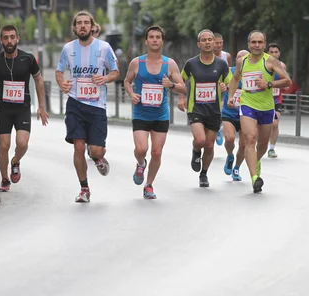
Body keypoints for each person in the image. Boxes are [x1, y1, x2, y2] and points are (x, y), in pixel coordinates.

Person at [56, 11, 119, 203]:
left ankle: (98, 157)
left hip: (97, 106)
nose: (83, 26)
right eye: (79, 23)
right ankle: (84, 188)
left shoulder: (104, 47)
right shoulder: (68, 48)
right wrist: (62, 83)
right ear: (74, 28)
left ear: (92, 27)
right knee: (78, 147)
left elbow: (116, 72)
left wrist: (105, 78)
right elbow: (59, 71)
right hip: (75, 104)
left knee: (96, 150)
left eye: (86, 23)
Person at [0, 25, 49, 192]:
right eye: (6, 38)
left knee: (22, 143)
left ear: (17, 38)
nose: (9, 41)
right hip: (4, 110)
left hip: (22, 108)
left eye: (12, 37)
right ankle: (5, 179)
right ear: (1, 41)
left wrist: (41, 106)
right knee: (4, 146)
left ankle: (16, 161)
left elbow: (39, 80)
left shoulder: (28, 59)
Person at [123, 26, 186, 199]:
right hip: (141, 113)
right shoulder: (137, 62)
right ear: (146, 41)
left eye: (158, 37)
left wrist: (171, 85)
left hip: (160, 114)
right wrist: (131, 93)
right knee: (141, 149)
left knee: (157, 153)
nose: (155, 40)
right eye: (151, 37)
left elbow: (183, 87)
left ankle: (149, 185)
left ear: (162, 41)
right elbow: (127, 81)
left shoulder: (169, 64)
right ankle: (140, 163)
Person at [227, 30, 291, 193]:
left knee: (262, 143)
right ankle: (255, 178)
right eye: (253, 42)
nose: (256, 45)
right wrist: (231, 96)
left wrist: (269, 84)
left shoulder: (270, 61)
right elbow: (235, 79)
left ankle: (257, 160)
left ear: (264, 44)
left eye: (260, 42)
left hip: (267, 107)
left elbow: (287, 81)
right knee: (250, 138)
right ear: (248, 44)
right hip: (247, 104)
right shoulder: (242, 61)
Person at [178, 29, 230, 188]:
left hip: (213, 110)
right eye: (204, 40)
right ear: (198, 44)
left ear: (214, 43)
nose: (207, 42)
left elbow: (229, 83)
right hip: (196, 108)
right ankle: (195, 151)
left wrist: (224, 86)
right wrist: (181, 98)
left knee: (209, 145)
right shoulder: (191, 63)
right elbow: (181, 81)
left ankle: (204, 173)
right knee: (200, 140)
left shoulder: (221, 64)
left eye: (210, 40)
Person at [221, 50, 249, 181]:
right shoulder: (228, 71)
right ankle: (230, 155)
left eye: (245, 58)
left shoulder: (252, 74)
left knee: (244, 144)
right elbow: (219, 84)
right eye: (240, 59)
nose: (242, 61)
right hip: (229, 112)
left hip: (246, 114)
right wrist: (222, 87)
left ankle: (237, 167)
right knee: (229, 138)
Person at [266, 43, 287, 158]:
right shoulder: (263, 64)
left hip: (276, 100)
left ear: (279, 53)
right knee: (262, 125)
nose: (274, 54)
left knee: (275, 124)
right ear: (267, 53)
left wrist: (284, 86)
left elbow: (286, 82)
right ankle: (258, 145)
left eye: (276, 52)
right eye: (271, 52)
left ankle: (272, 148)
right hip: (263, 99)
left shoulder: (282, 66)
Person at [213, 33, 232, 146]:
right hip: (209, 89)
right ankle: (214, 129)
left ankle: (218, 129)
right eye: (216, 42)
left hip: (223, 89)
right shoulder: (206, 56)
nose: (219, 45)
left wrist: (228, 85)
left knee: (220, 110)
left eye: (221, 42)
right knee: (212, 112)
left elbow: (229, 72)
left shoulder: (226, 56)